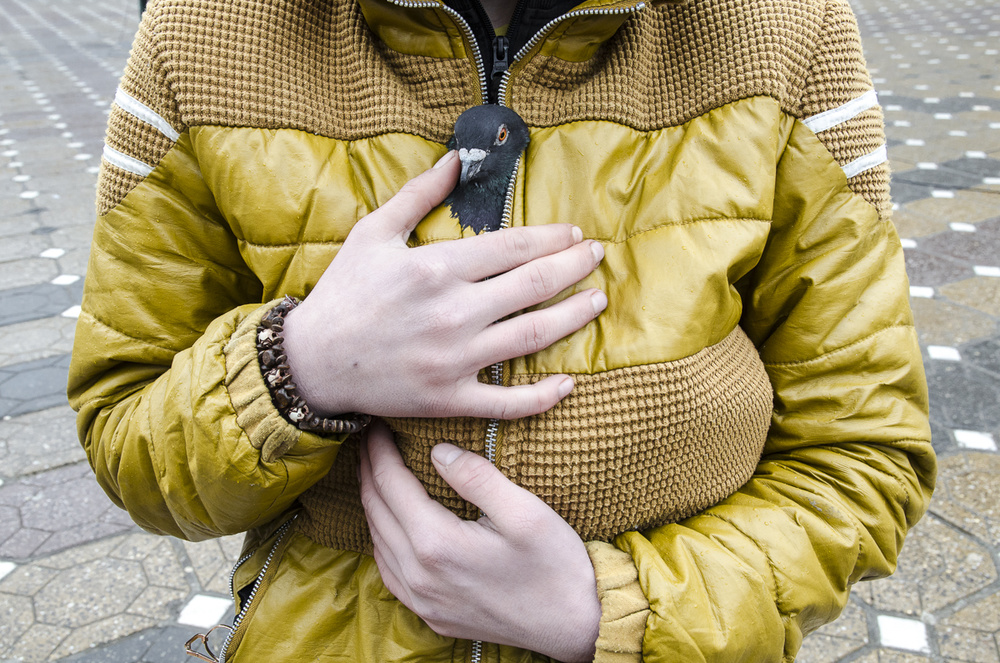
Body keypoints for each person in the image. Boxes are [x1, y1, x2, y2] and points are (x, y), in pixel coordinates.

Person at [68, 0, 936, 658]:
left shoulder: (790, 29)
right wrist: (300, 366)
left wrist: (615, 611)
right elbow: (127, 436)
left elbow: (865, 456)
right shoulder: (199, 36)